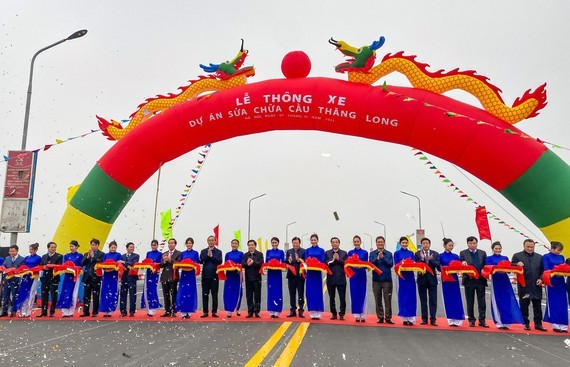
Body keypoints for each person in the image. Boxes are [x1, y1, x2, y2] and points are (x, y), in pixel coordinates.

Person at [486, 241, 523, 330]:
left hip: (505, 280)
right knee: (497, 301)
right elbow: (488, 268)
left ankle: (507, 322)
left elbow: (509, 269)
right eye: (496, 248)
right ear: (492, 249)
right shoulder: (489, 258)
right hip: (496, 280)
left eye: (499, 248)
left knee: (507, 300)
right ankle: (499, 322)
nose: (498, 250)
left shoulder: (505, 257)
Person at [512, 239, 546, 331]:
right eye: (528, 247)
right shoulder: (517, 256)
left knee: (537, 306)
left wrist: (540, 278)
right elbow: (511, 266)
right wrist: (516, 264)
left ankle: (538, 324)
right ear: (524, 246)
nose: (530, 248)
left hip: (536, 285)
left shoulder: (539, 257)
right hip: (524, 286)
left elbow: (543, 270)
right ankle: (525, 323)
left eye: (532, 247)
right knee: (524, 305)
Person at [459, 236, 488, 328]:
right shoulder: (463, 253)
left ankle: (482, 320)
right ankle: (471, 320)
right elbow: (461, 263)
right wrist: (462, 263)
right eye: (470, 243)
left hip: (480, 280)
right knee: (470, 301)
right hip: (469, 281)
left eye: (474, 243)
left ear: (477, 243)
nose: (472, 245)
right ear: (467, 244)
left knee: (482, 302)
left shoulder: (482, 253)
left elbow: (485, 266)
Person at [414, 237, 440, 326]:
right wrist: (422, 259)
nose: (425, 245)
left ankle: (433, 319)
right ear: (421, 245)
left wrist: (431, 259)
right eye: (424, 243)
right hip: (422, 280)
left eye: (427, 243)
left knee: (433, 300)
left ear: (429, 244)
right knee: (423, 300)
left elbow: (439, 267)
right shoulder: (417, 254)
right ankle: (424, 319)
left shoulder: (435, 254)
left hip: (432, 280)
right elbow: (416, 266)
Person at [439, 238, 464, 327]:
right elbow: (439, 267)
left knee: (456, 297)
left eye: (452, 245)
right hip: (445, 279)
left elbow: (459, 266)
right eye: (449, 245)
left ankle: (457, 319)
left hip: (454, 278)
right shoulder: (440, 256)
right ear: (445, 245)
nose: (451, 247)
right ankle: (450, 319)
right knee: (447, 298)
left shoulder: (456, 256)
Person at [543, 241, 567, 332]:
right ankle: (555, 324)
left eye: (560, 250)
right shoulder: (546, 257)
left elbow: (564, 267)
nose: (559, 252)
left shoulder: (561, 257)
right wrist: (555, 271)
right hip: (551, 281)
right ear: (552, 248)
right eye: (558, 250)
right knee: (553, 302)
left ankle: (563, 325)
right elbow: (546, 268)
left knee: (562, 302)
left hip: (560, 281)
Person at [370, 236, 394, 324]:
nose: (380, 243)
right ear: (376, 243)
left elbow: (390, 264)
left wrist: (383, 257)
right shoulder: (372, 253)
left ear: (384, 243)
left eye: (381, 242)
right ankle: (380, 317)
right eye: (378, 242)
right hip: (376, 280)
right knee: (378, 299)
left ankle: (388, 318)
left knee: (387, 299)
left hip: (387, 280)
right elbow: (370, 264)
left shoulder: (389, 253)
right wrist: (377, 259)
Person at [57, 240, 84, 317]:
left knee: (74, 293)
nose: (71, 248)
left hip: (75, 276)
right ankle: (64, 311)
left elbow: (81, 265)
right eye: (70, 246)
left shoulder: (80, 255)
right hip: (67, 275)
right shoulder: (66, 255)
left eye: (73, 246)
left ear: (76, 247)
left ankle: (71, 311)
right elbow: (64, 265)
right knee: (65, 291)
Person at [14, 243, 42, 317]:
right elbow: (23, 266)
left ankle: (28, 311)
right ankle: (22, 310)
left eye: (32, 249)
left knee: (31, 293)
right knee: (23, 292)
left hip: (33, 276)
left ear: (36, 250)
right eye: (30, 249)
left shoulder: (38, 258)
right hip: (26, 276)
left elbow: (40, 267)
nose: (31, 251)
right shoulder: (26, 257)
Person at [393, 236, 416, 325]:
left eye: (406, 243)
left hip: (410, 277)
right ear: (400, 243)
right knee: (403, 296)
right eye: (403, 243)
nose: (404, 244)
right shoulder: (396, 253)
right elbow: (396, 263)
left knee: (411, 296)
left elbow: (414, 263)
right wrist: (402, 262)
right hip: (401, 277)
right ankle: (404, 318)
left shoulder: (411, 253)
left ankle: (411, 318)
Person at [176, 237, 200, 319]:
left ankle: (189, 311)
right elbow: (180, 262)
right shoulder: (183, 253)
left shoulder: (195, 253)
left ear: (192, 244)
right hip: (184, 274)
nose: (189, 244)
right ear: (185, 244)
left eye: (190, 243)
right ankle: (183, 311)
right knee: (183, 291)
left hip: (191, 274)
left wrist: (192, 265)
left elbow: (197, 263)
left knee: (190, 291)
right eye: (187, 243)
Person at [325, 237, 347, 321]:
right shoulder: (327, 253)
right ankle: (333, 313)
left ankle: (342, 314)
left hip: (341, 278)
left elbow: (345, 264)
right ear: (331, 243)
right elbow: (326, 263)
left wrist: (339, 259)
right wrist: (332, 260)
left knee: (342, 298)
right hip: (331, 278)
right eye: (333, 242)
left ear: (339, 243)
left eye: (336, 242)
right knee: (331, 297)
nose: (334, 244)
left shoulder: (344, 253)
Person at [200, 235, 223, 317]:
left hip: (214, 275)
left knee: (214, 294)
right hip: (205, 275)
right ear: (207, 241)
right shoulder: (203, 251)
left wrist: (212, 257)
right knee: (205, 294)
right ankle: (205, 311)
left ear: (215, 241)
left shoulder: (218, 252)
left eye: (212, 240)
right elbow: (201, 260)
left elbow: (219, 261)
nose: (211, 242)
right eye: (209, 240)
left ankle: (214, 311)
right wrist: (207, 256)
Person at [347, 235, 369, 322]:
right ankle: (356, 314)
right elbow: (347, 264)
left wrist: (362, 266)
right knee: (354, 294)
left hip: (362, 275)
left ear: (360, 242)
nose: (356, 243)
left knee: (363, 294)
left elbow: (367, 264)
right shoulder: (350, 252)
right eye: (355, 241)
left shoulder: (365, 252)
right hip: (353, 275)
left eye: (358, 241)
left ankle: (363, 315)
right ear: (353, 242)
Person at [38, 241, 62, 317]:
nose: (53, 249)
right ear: (48, 248)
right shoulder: (44, 256)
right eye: (52, 247)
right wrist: (44, 267)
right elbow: (41, 265)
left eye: (54, 247)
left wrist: (50, 266)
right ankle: (43, 311)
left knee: (53, 295)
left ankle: (52, 311)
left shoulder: (59, 256)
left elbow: (59, 266)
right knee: (44, 295)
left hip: (54, 277)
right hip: (45, 278)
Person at [81, 239, 104, 317]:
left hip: (96, 277)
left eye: (95, 245)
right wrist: (87, 257)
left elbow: (100, 262)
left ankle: (95, 312)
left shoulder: (101, 254)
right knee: (86, 296)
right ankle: (85, 311)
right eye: (92, 245)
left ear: (98, 245)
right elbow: (82, 263)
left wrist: (93, 257)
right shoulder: (86, 253)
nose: (93, 246)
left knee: (96, 295)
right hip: (87, 277)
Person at [304, 234, 326, 320]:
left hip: (317, 274)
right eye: (312, 240)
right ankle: (312, 312)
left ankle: (318, 312)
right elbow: (305, 261)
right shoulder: (307, 250)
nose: (313, 241)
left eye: (315, 240)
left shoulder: (321, 250)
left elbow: (322, 261)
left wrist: (316, 264)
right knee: (310, 292)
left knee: (317, 292)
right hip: (310, 274)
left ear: (317, 240)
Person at [99, 241, 122, 317]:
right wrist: (106, 269)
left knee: (113, 292)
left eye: (114, 247)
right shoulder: (106, 255)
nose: (113, 249)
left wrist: (113, 268)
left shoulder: (118, 255)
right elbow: (103, 264)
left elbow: (119, 265)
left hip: (114, 276)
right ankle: (105, 310)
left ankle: (111, 310)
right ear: (109, 247)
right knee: (105, 292)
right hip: (106, 276)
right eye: (112, 247)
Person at [0, 245, 24, 317]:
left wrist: (14, 270)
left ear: (17, 251)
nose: (11, 253)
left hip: (16, 279)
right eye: (10, 251)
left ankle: (13, 311)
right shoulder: (7, 258)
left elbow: (22, 268)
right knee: (5, 295)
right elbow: (4, 266)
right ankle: (4, 311)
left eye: (13, 251)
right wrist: (4, 269)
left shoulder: (22, 259)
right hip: (7, 279)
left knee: (14, 295)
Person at [160, 238, 181, 317]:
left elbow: (178, 264)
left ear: (175, 244)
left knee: (174, 294)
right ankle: (167, 310)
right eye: (169, 243)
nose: (170, 244)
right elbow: (161, 264)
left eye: (172, 243)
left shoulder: (178, 253)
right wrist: (164, 261)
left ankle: (174, 310)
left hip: (173, 276)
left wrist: (170, 260)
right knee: (166, 294)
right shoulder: (164, 253)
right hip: (165, 276)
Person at [242, 240, 264, 318]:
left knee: (257, 295)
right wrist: (247, 264)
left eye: (252, 245)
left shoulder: (259, 254)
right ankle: (250, 311)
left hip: (257, 277)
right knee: (249, 295)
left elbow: (261, 264)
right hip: (248, 278)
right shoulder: (245, 255)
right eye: (249, 245)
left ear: (255, 246)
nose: (251, 246)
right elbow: (242, 264)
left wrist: (253, 262)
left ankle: (257, 311)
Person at [223, 239, 244, 318]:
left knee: (238, 292)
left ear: (238, 245)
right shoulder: (227, 254)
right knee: (228, 292)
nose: (234, 245)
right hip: (229, 275)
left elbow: (242, 263)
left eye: (235, 243)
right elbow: (225, 264)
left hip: (237, 275)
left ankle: (237, 309)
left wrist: (238, 267)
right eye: (233, 243)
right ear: (231, 244)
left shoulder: (241, 254)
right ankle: (229, 310)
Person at [286, 236, 306, 318]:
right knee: (292, 293)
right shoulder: (289, 251)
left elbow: (305, 263)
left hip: (300, 275)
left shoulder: (303, 251)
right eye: (294, 243)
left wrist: (299, 260)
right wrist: (289, 261)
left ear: (299, 243)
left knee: (300, 294)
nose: (295, 244)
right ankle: (292, 310)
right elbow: (286, 262)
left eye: (296, 243)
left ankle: (301, 310)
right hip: (291, 275)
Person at [265, 237, 284, 318]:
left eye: (275, 242)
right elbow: (266, 262)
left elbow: (282, 263)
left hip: (277, 273)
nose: (274, 244)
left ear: (278, 243)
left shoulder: (281, 252)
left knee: (277, 290)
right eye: (272, 242)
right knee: (271, 291)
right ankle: (271, 310)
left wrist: (278, 265)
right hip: (271, 273)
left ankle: (277, 310)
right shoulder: (268, 252)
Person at [120, 242, 139, 317]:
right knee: (123, 295)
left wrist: (124, 262)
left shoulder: (136, 256)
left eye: (133, 247)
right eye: (130, 247)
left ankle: (132, 311)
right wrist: (122, 266)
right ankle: (123, 311)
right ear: (127, 248)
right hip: (124, 278)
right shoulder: (122, 256)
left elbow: (133, 263)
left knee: (132, 295)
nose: (132, 248)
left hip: (132, 278)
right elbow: (120, 264)